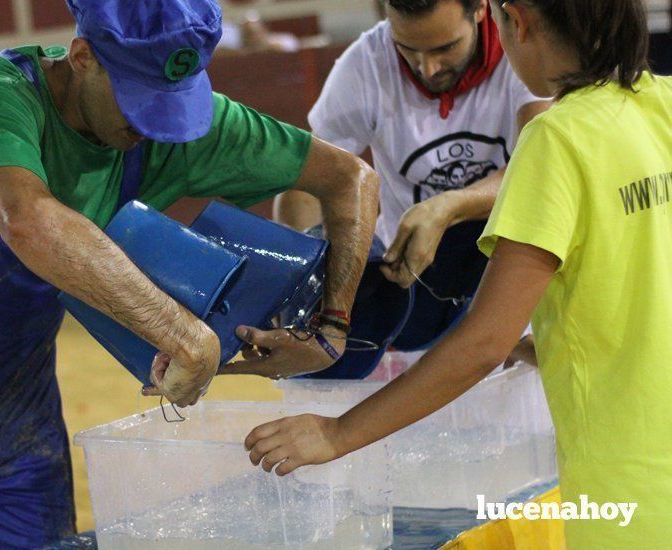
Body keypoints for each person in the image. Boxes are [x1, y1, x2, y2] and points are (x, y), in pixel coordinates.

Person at [0, 0, 378, 547]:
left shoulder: (180, 125)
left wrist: (330, 328)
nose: (156, 127)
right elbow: (27, 220)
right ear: (82, 57)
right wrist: (184, 334)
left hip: (10, 393)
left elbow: (352, 179)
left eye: (174, 101)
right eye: (138, 102)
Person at [244, 0, 672, 547]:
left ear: (513, 20)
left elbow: (482, 345)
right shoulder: (660, 102)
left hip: (626, 485)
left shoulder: (556, 139)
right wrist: (552, 342)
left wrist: (337, 432)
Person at [225, 0, 550, 379]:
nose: (428, 67)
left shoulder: (522, 51)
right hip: (407, 293)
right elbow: (310, 186)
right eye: (408, 49)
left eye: (445, 47)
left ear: (479, 9)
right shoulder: (365, 62)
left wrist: (447, 206)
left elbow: (536, 170)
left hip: (517, 281)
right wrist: (304, 286)